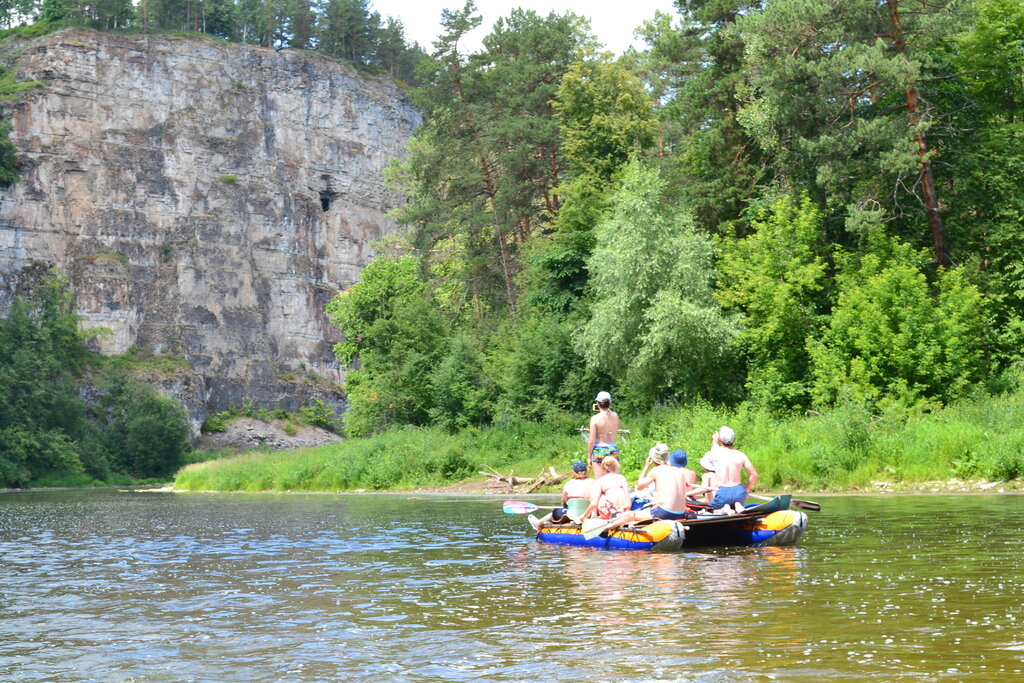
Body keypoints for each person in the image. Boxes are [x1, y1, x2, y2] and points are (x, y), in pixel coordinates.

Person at [605, 444, 710, 530]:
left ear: (653, 459)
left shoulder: (656, 470)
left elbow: (639, 487)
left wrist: (646, 466)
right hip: (681, 513)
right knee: (649, 509)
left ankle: (606, 529)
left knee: (629, 515)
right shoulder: (679, 471)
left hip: (665, 512)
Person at [705, 426, 758, 514]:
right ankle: (737, 505)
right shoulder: (741, 455)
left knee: (712, 510)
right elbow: (754, 475)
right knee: (736, 503)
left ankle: (725, 509)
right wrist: (747, 488)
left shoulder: (716, 453)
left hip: (723, 491)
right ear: (734, 439)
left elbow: (714, 444)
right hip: (739, 492)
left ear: (720, 440)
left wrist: (715, 438)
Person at [529, 461, 594, 530]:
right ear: (586, 470)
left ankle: (538, 523)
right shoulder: (593, 481)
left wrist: (565, 505)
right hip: (589, 514)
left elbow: (564, 502)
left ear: (573, 472)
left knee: (555, 512)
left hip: (571, 515)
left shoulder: (569, 484)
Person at [581, 455, 631, 521]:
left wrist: (583, 516)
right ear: (616, 466)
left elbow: (594, 503)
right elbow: (628, 499)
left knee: (599, 495)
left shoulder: (601, 480)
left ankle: (594, 515)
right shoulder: (622, 478)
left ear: (604, 468)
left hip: (609, 512)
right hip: (625, 510)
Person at [587, 391, 620, 479]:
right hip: (613, 448)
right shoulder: (615, 416)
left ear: (598, 403)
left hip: (600, 449)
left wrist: (589, 457)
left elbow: (591, 440)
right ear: (610, 403)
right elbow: (617, 428)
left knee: (600, 481)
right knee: (614, 479)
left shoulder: (595, 418)